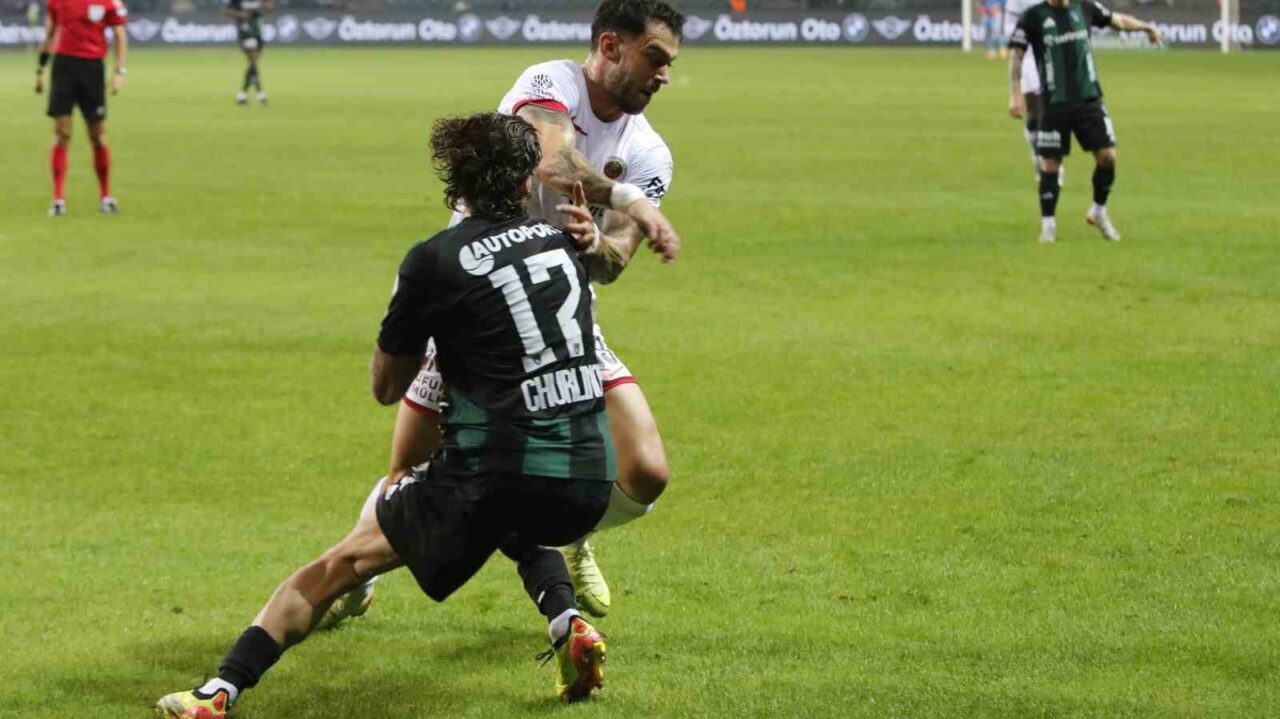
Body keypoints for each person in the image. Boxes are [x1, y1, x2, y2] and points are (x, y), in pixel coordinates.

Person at [154, 112, 613, 719]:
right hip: (588, 477)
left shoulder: (435, 260)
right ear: (528, 181)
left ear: (455, 185)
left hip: (499, 470)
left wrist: (416, 323)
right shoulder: (565, 243)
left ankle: (219, 691)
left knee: (340, 565)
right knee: (512, 511)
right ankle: (566, 619)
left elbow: (387, 386)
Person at [324, 0, 685, 626]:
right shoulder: (549, 83)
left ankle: (565, 533)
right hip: (471, 301)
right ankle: (354, 579)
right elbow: (551, 158)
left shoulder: (652, 153)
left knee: (647, 471)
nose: (664, 75)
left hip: (558, 320)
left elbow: (613, 261)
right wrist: (627, 198)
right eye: (654, 58)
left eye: (670, 63)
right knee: (411, 468)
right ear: (610, 46)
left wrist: (592, 244)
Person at [1007, 0, 1162, 243]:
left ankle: (1098, 211)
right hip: (1054, 101)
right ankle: (1048, 227)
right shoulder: (1032, 17)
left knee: (1108, 156)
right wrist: (1015, 94)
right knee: (1050, 163)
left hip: (1088, 98)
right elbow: (1016, 55)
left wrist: (1146, 27)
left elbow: (1118, 21)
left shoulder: (1084, 7)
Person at [34, 0, 128, 217]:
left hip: (92, 69)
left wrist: (119, 72)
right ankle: (58, 200)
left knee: (97, 134)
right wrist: (40, 69)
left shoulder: (109, 2)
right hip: (64, 68)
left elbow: (120, 35)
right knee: (62, 133)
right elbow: (50, 33)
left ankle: (106, 197)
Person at [222, 0, 270, 105]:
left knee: (253, 64)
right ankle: (259, 93)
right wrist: (240, 15)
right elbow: (226, 11)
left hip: (258, 31)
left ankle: (243, 94)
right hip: (245, 31)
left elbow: (269, 8)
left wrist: (264, 6)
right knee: (253, 59)